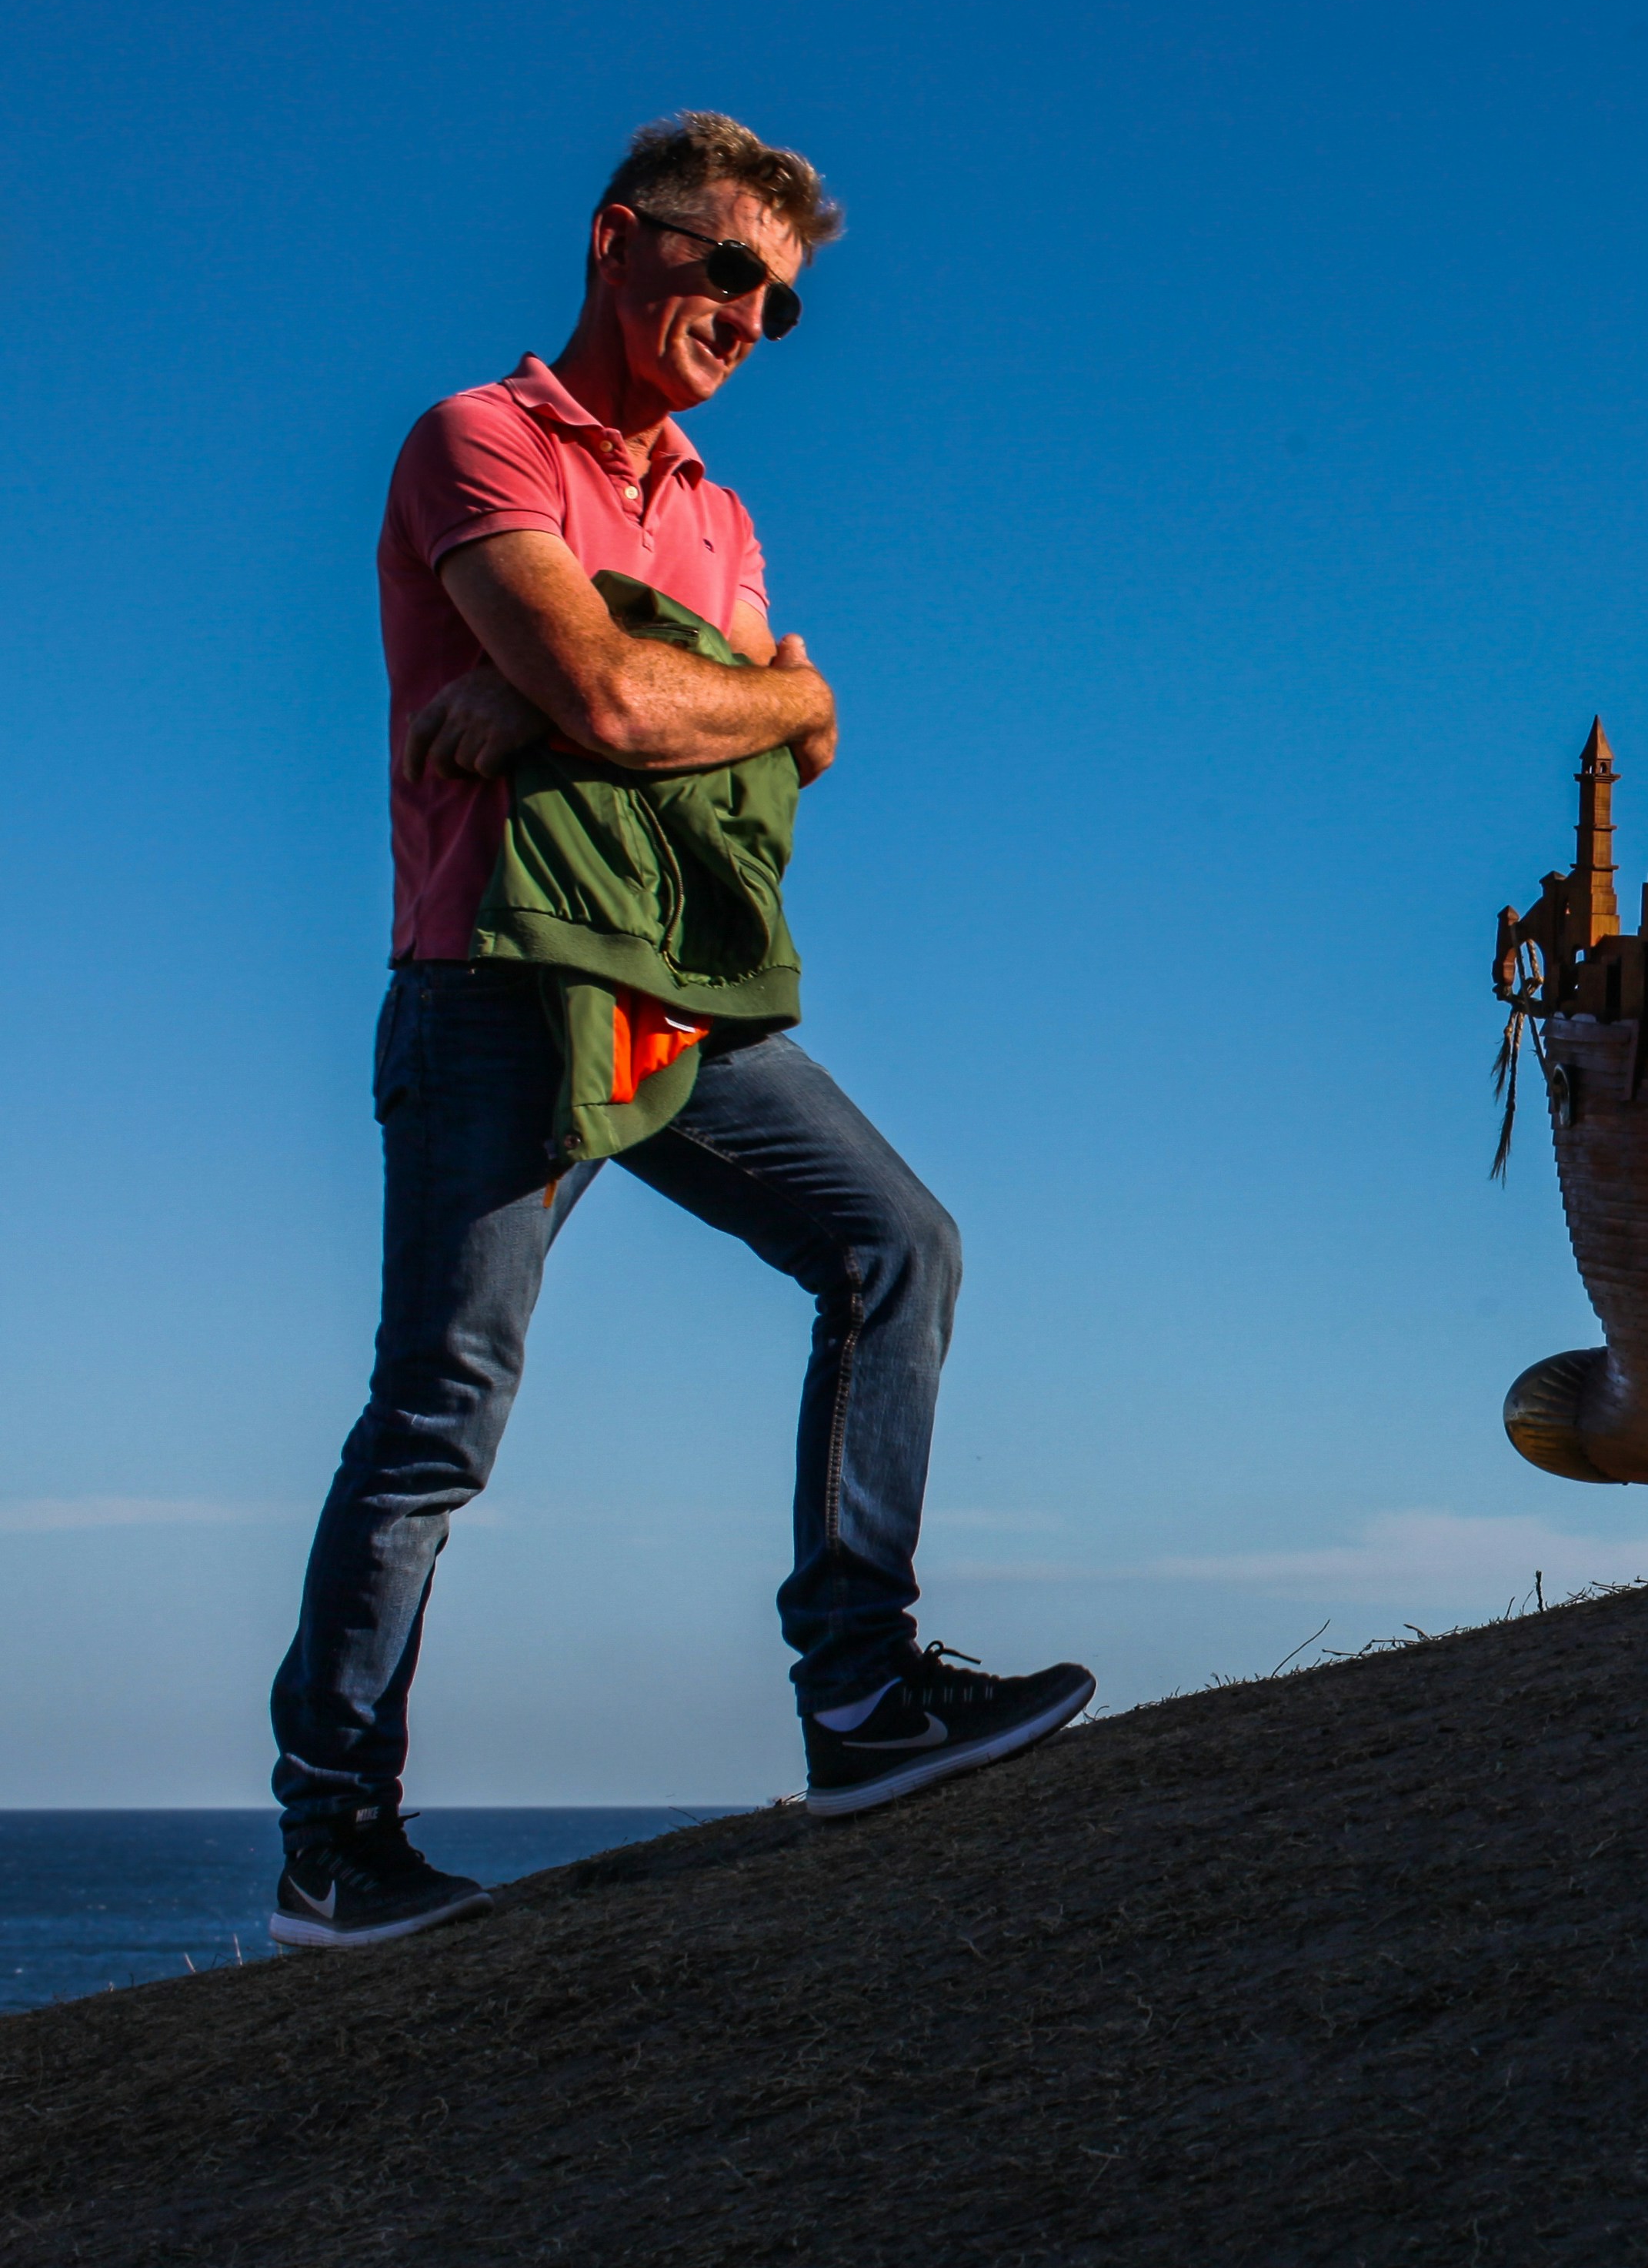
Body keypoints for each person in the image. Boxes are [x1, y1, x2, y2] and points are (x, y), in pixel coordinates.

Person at [268, 113, 1091, 1950]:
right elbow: (637, 709)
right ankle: (335, 1838)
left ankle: (862, 1699)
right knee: (439, 1415)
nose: (748, 316)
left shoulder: (719, 510)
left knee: (898, 1245)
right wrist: (655, 688)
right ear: (617, 238)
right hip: (495, 978)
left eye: (781, 305)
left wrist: (681, 686)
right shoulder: (477, 440)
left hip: (680, 988)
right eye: (727, 269)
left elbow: (786, 731)